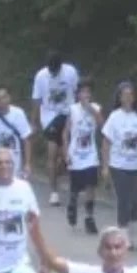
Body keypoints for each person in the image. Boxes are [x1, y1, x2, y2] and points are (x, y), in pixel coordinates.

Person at [101, 81, 137, 247]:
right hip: (118, 165)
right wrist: (105, 166)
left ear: (134, 97)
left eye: (131, 94)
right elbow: (106, 142)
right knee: (124, 199)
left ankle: (131, 223)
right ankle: (124, 232)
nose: (128, 98)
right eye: (124, 95)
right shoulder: (114, 117)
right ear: (119, 97)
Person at [31, 52, 79, 206]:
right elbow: (37, 100)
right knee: (52, 153)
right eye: (51, 71)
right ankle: (54, 192)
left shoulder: (70, 72)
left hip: (69, 114)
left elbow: (78, 93)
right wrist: (34, 122)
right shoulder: (41, 76)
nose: (53, 73)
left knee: (66, 155)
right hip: (50, 117)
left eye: (56, 70)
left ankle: (59, 174)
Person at [63, 81, 103, 234]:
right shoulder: (72, 110)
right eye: (82, 92)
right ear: (77, 94)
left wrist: (91, 108)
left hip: (90, 154)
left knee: (90, 185)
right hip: (75, 153)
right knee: (75, 187)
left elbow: (102, 125)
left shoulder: (96, 108)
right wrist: (66, 152)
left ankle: (89, 217)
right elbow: (65, 133)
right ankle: (72, 204)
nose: (85, 95)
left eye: (88, 92)